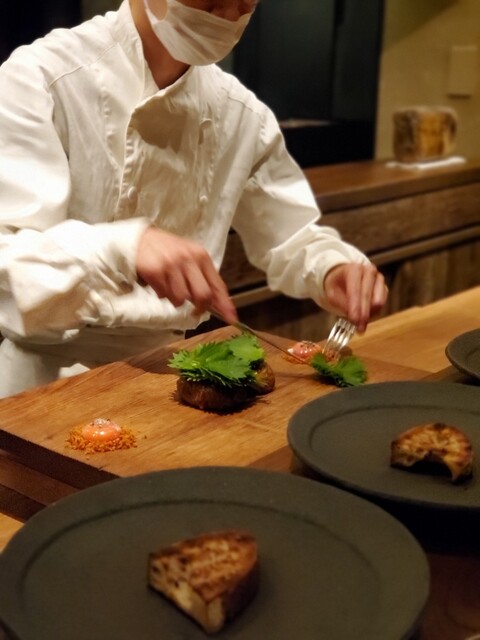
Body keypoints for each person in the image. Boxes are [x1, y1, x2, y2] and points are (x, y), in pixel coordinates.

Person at [0, 0, 388, 398]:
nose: (229, 15)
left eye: (246, 1)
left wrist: (330, 268)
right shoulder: (41, 79)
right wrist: (122, 246)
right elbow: (7, 259)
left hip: (171, 373)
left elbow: (290, 235)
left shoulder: (240, 113)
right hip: (41, 382)